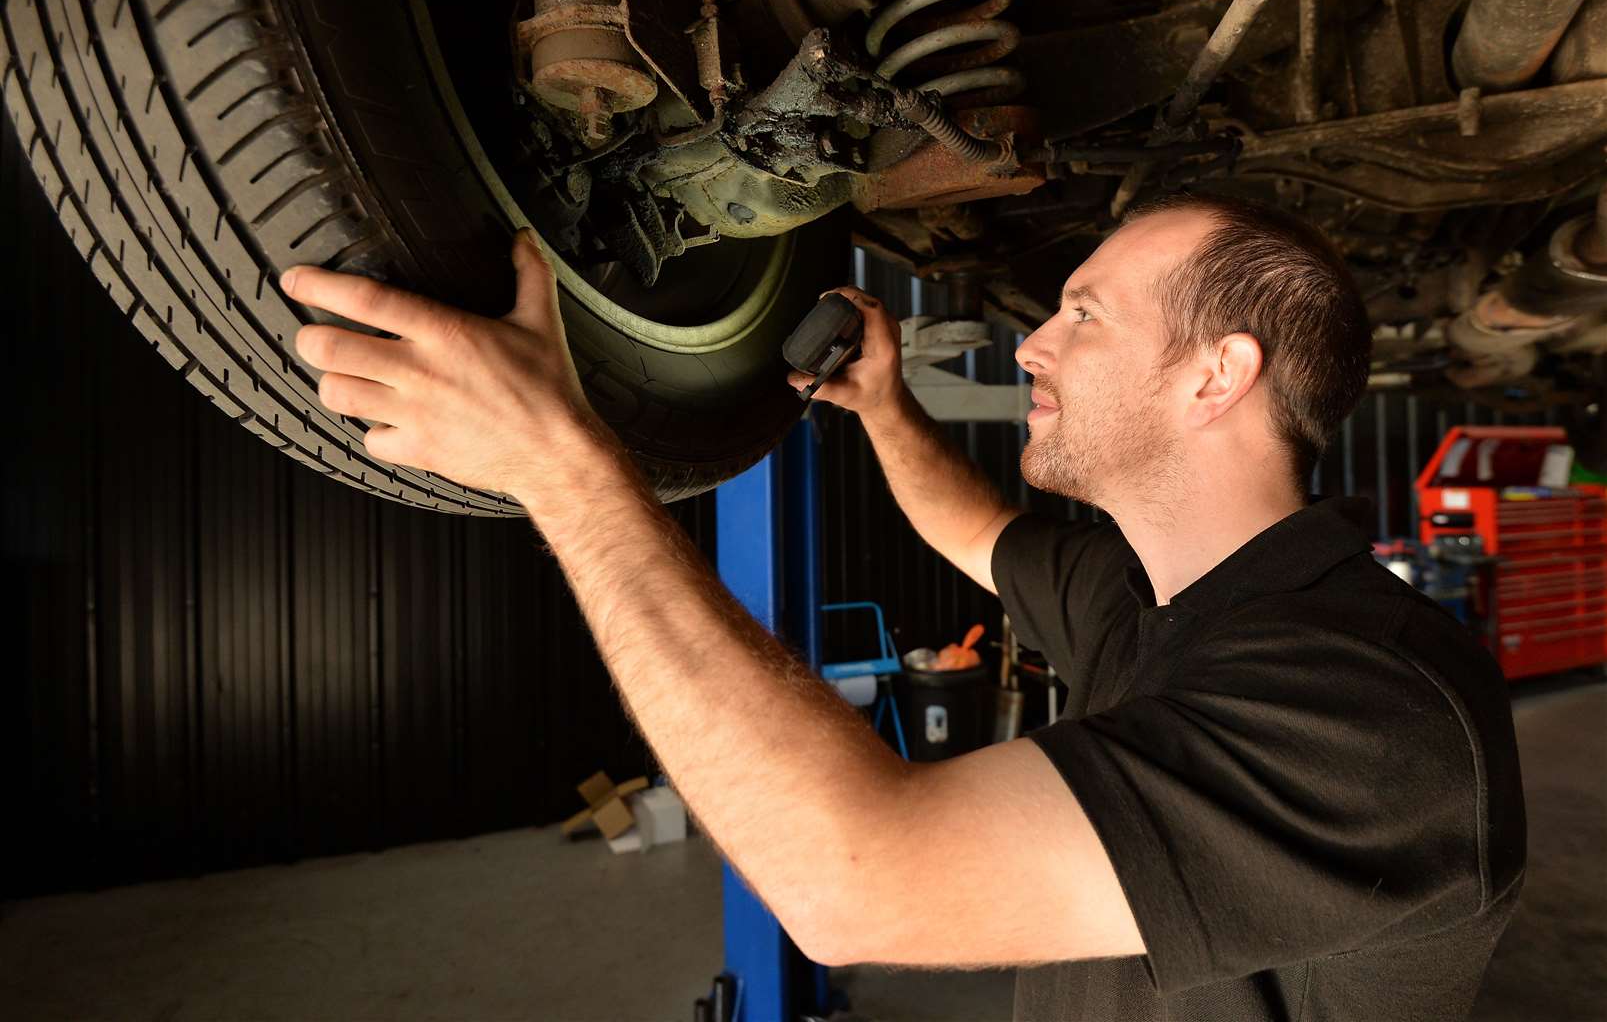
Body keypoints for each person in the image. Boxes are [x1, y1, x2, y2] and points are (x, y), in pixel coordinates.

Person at [281, 192, 1524, 1021]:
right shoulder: (1136, 597)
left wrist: (560, 465)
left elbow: (849, 883)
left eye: (1081, 314)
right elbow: (967, 530)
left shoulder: (1369, 709)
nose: (1031, 346)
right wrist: (880, 408)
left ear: (1218, 375)